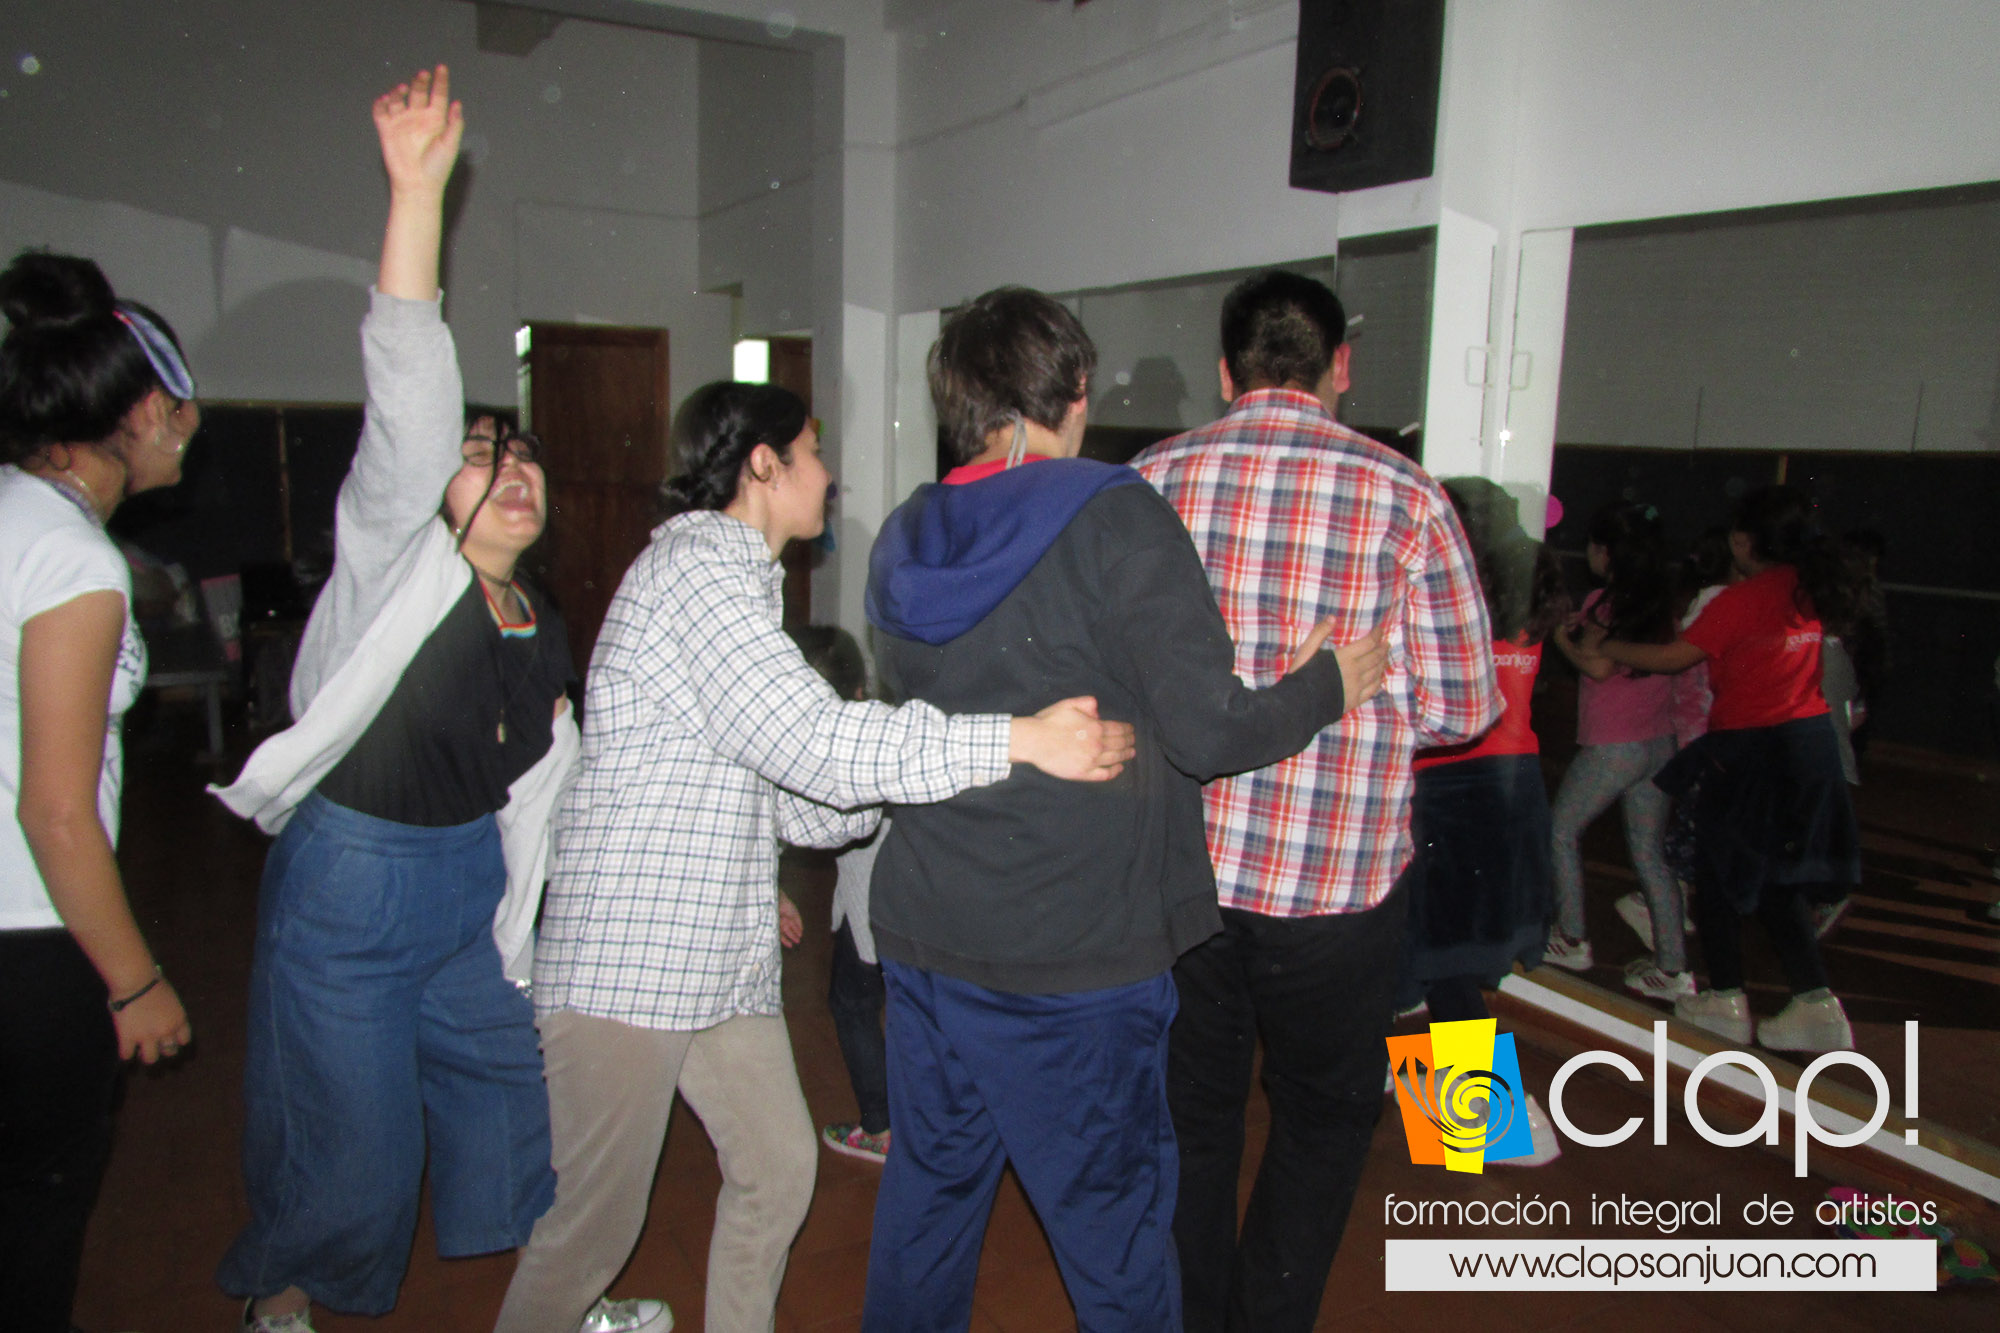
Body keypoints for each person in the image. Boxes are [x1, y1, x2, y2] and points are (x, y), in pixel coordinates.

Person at [494, 380, 1137, 1333]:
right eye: (814, 450)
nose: (830, 475)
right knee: (591, 1233)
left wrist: (920, 782)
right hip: (630, 963)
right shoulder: (697, 572)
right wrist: (1016, 740)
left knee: (777, 1168)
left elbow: (803, 797)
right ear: (764, 463)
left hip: (714, 958)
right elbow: (817, 745)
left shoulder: (742, 585)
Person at [211, 69, 663, 1333]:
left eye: (524, 458)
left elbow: (554, 782)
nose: (511, 469)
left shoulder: (541, 620)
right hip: (352, 886)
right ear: (433, 490)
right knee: (348, 1135)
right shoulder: (390, 568)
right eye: (482, 455)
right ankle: (279, 1300)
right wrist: (416, 195)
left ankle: (561, 1298)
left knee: (518, 1085)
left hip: (466, 888)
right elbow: (409, 402)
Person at [860, 287, 1386, 1332]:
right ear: (1075, 390)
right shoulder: (1113, 514)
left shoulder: (905, 531)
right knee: (1116, 1238)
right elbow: (1209, 732)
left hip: (926, 930)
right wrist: (1325, 684)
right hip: (1074, 953)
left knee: (929, 1204)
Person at [1131, 271, 1498, 1333]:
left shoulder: (1147, 482)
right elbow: (1463, 706)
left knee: (1192, 1119)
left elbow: (1111, 675)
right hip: (1333, 890)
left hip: (1178, 881)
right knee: (1323, 1120)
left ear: (1223, 372)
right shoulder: (1407, 497)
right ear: (1341, 367)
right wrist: (1360, 691)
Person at [0, 248, 200, 1333]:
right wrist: (133, 981)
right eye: (181, 409)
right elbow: (55, 809)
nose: (189, 430)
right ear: (142, 411)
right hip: (30, 938)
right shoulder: (73, 557)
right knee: (38, 1207)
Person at [1576, 484, 1861, 1052]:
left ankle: (1726, 998)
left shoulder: (1741, 600)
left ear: (1742, 541)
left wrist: (1610, 645)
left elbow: (1674, 657)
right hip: (1809, 746)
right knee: (1778, 880)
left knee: (1715, 874)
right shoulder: (1807, 587)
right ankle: (1816, 1005)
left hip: (1754, 748)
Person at [1396, 479, 1568, 1131]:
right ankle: (1439, 1093)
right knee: (1439, 946)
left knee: (1439, 951)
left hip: (1447, 786)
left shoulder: (1451, 598)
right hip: (1514, 782)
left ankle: (1493, 1123)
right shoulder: (1525, 591)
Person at [1546, 501, 1689, 998]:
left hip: (1614, 745)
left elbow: (1598, 665)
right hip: (1658, 742)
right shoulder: (1660, 604)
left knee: (1560, 831)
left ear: (1606, 551)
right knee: (1650, 853)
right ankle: (1673, 967)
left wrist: (1559, 636)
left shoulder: (1606, 603)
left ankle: (1571, 937)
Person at [786, 623, 895, 1166]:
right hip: (916, 900)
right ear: (859, 688)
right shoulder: (888, 723)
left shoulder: (814, 746)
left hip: (873, 906)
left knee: (852, 1004)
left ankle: (880, 1129)